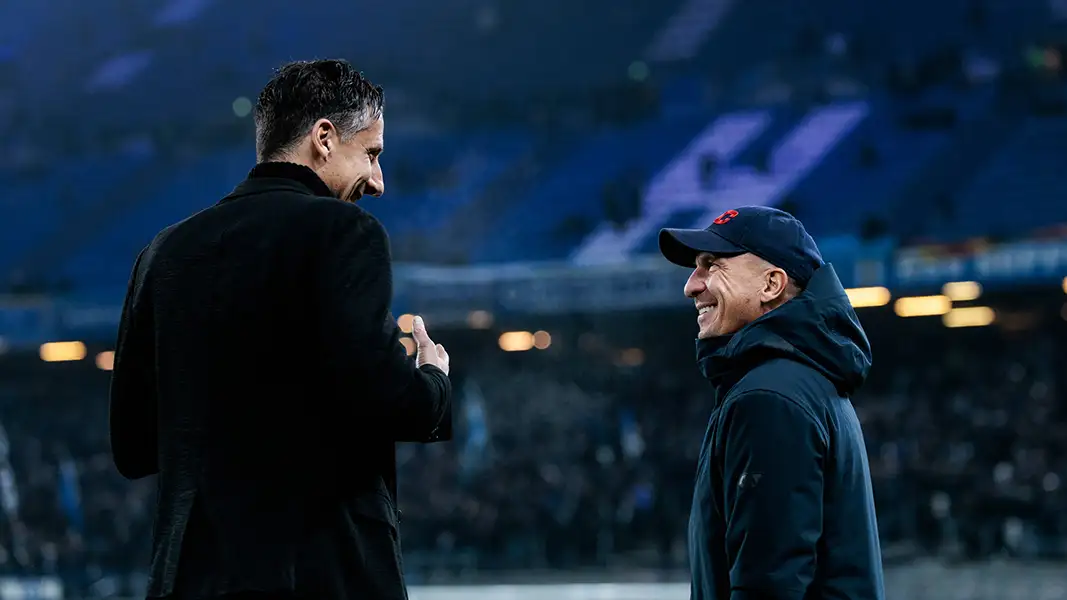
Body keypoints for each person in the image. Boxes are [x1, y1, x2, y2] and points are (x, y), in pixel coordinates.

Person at [109, 59, 452, 600]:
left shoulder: (162, 253)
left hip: (190, 581)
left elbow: (133, 448)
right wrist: (433, 380)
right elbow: (391, 400)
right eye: (372, 153)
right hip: (322, 576)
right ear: (323, 138)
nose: (379, 182)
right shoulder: (341, 232)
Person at [658, 206, 884, 600]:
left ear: (771, 284)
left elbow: (767, 588)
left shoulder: (768, 398)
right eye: (696, 267)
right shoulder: (806, 382)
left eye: (712, 265)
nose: (692, 285)